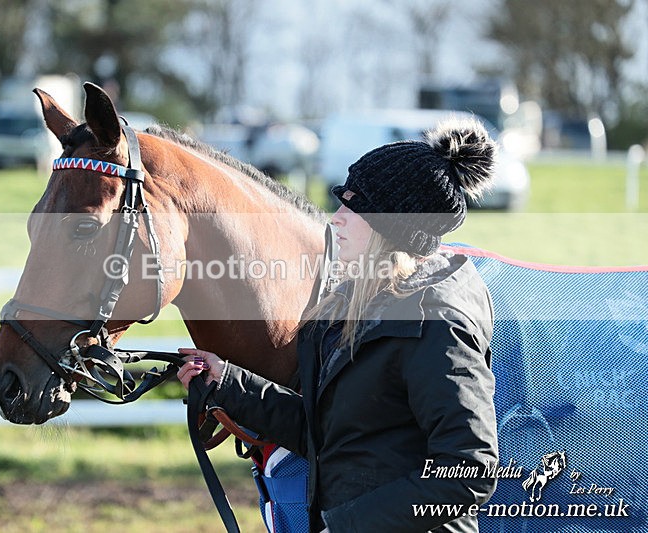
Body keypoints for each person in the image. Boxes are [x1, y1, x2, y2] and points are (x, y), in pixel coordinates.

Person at [177, 118, 499, 533]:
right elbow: (328, 433)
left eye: (355, 207)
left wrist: (348, 526)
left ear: (393, 227)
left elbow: (468, 469)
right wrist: (228, 382)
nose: (337, 218)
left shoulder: (437, 324)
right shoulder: (351, 306)